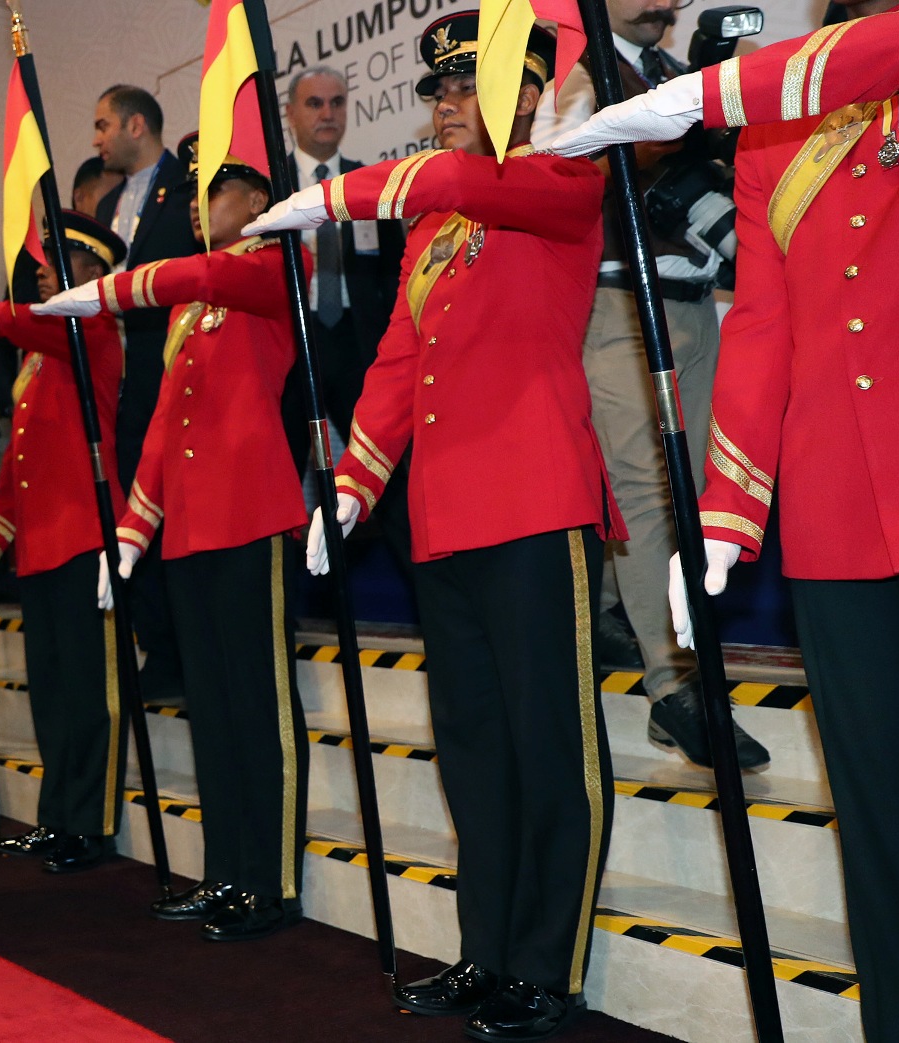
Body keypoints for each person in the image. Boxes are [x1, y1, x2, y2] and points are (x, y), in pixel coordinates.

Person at [553, 3, 899, 1034]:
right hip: (836, 524)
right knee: (886, 831)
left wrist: (690, 96)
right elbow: (763, 324)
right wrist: (729, 512)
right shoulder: (776, 133)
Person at [260, 15, 618, 1039]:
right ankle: (487, 949)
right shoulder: (436, 224)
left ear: (526, 95)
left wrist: (336, 195)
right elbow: (397, 363)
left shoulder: (559, 179)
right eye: (439, 92)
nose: (445, 106)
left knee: (549, 744)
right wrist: (351, 488)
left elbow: (464, 181)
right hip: (445, 516)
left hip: (537, 502)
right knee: (472, 747)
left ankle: (546, 964)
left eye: (467, 88)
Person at [41, 134, 313, 939]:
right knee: (213, 706)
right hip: (189, 527)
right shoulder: (192, 304)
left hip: (251, 513)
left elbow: (204, 274)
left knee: (256, 704)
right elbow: (164, 422)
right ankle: (225, 869)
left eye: (215, 191)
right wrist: (133, 528)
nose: (198, 206)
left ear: (258, 201)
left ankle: (268, 879)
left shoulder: (274, 267)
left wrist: (112, 290)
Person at [530, 0, 769, 771]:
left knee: (695, 495)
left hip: (696, 305)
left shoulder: (677, 70)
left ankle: (600, 607)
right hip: (619, 305)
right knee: (645, 495)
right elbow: (557, 172)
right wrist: (653, 145)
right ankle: (677, 687)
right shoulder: (577, 75)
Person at [0, 212, 128, 870]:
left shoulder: (90, 329)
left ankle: (92, 822)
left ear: (95, 270)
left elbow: (7, 318)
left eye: (61, 261)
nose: (44, 272)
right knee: (50, 689)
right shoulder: (39, 357)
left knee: (89, 692)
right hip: (41, 544)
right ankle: (58, 816)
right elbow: (20, 466)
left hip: (85, 537)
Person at [92, 84, 197, 707]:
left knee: (176, 510)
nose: (96, 138)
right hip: (128, 386)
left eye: (104, 124)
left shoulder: (187, 189)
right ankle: (159, 648)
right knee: (136, 510)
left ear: (137, 125)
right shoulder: (107, 205)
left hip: (175, 371)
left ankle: (189, 649)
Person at [281, 66, 408, 478]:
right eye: (314, 103)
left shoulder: (371, 182)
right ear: (290, 113)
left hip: (360, 344)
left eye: (337, 102)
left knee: (381, 470)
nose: (327, 113)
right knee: (282, 474)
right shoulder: (270, 189)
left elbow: (395, 273)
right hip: (294, 345)